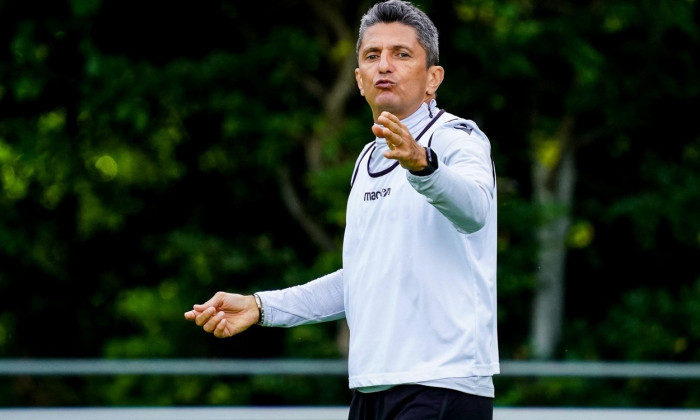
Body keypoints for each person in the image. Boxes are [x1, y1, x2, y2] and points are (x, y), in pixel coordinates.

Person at [184, 1, 498, 418]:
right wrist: (261, 307)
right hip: (370, 390)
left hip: (441, 385)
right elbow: (360, 279)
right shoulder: (366, 160)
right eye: (372, 56)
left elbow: (475, 210)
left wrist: (423, 165)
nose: (384, 65)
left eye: (402, 54)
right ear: (359, 80)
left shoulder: (458, 138)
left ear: (433, 79)